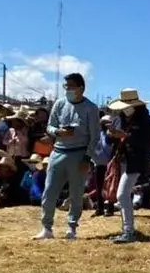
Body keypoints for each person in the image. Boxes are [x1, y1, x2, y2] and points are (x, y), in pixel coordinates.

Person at [33, 73, 101, 240]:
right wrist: (57, 132)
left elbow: (95, 136)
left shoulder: (91, 108)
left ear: (81, 88)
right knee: (49, 191)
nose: (68, 89)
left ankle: (72, 227)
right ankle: (47, 228)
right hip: (58, 151)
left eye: (71, 86)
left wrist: (87, 158)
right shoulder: (59, 103)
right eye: (66, 86)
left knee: (76, 193)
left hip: (79, 153)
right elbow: (50, 126)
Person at [105, 88, 150, 243]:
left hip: (137, 161)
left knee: (122, 195)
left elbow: (145, 141)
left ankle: (129, 231)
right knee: (123, 194)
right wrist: (113, 135)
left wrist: (125, 135)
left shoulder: (146, 121)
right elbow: (116, 138)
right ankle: (127, 229)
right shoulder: (124, 119)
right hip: (126, 160)